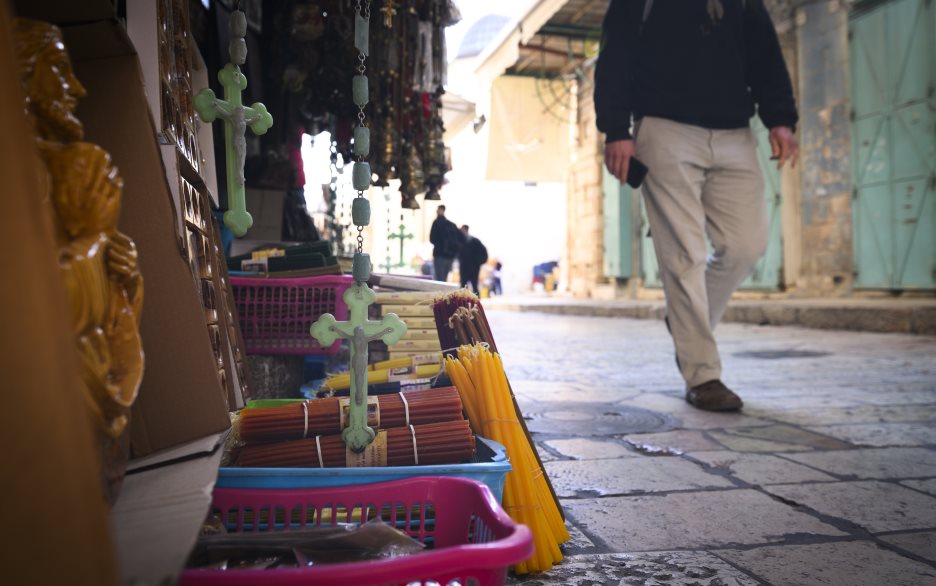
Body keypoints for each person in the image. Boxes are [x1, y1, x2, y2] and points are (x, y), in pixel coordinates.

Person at [594, 0, 798, 412]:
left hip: (735, 132)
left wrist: (781, 117)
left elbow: (764, 51)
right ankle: (703, 375)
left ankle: (684, 320)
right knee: (684, 254)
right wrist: (616, 128)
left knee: (747, 245)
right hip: (665, 128)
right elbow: (615, 53)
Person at [429, 205, 464, 282]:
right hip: (450, 257)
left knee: (439, 280)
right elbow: (461, 239)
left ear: (440, 210)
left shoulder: (437, 223)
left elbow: (432, 239)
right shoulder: (452, 225)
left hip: (439, 256)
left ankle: (440, 294)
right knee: (444, 279)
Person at [457, 225, 488, 295]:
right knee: (463, 286)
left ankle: (477, 302)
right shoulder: (460, 242)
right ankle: (462, 302)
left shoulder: (475, 241)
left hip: (473, 268)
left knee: (474, 285)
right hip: (464, 267)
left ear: (466, 230)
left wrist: (478, 262)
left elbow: (484, 253)